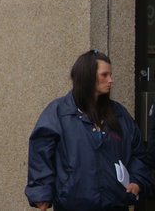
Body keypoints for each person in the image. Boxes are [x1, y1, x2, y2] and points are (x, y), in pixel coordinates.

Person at [25, 50, 153, 210]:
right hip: (73, 204)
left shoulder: (119, 114)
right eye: (104, 75)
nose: (110, 80)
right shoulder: (59, 112)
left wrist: (137, 181)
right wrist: (41, 193)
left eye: (111, 74)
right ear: (87, 77)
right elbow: (40, 154)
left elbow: (139, 153)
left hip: (115, 204)